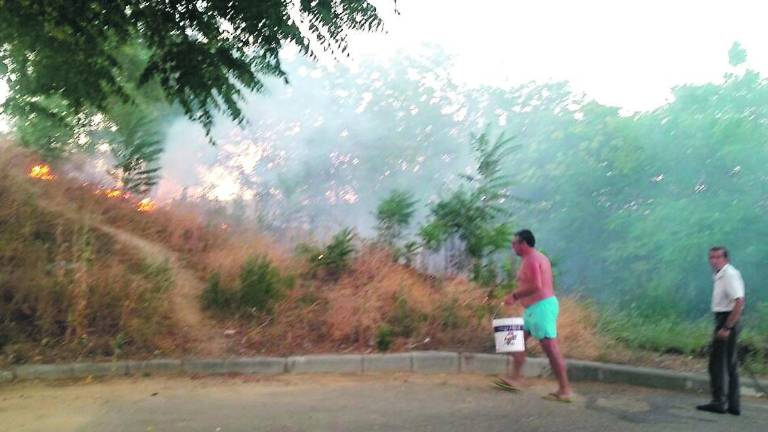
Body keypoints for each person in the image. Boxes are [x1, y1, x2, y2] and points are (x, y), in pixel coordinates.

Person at [498, 229, 573, 402]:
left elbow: (537, 286)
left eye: (514, 243)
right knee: (516, 340)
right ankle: (515, 378)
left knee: (551, 350)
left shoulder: (533, 259)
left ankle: (565, 389)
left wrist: (514, 296)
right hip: (532, 310)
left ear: (523, 243)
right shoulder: (530, 258)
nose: (512, 247)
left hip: (542, 308)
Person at [697, 246, 745, 416]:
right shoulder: (721, 274)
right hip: (725, 318)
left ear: (726, 259)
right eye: (711, 257)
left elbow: (739, 302)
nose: (714, 260)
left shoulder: (729, 274)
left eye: (718, 257)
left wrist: (726, 327)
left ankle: (719, 402)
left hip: (727, 319)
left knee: (717, 364)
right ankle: (733, 405)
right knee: (729, 364)